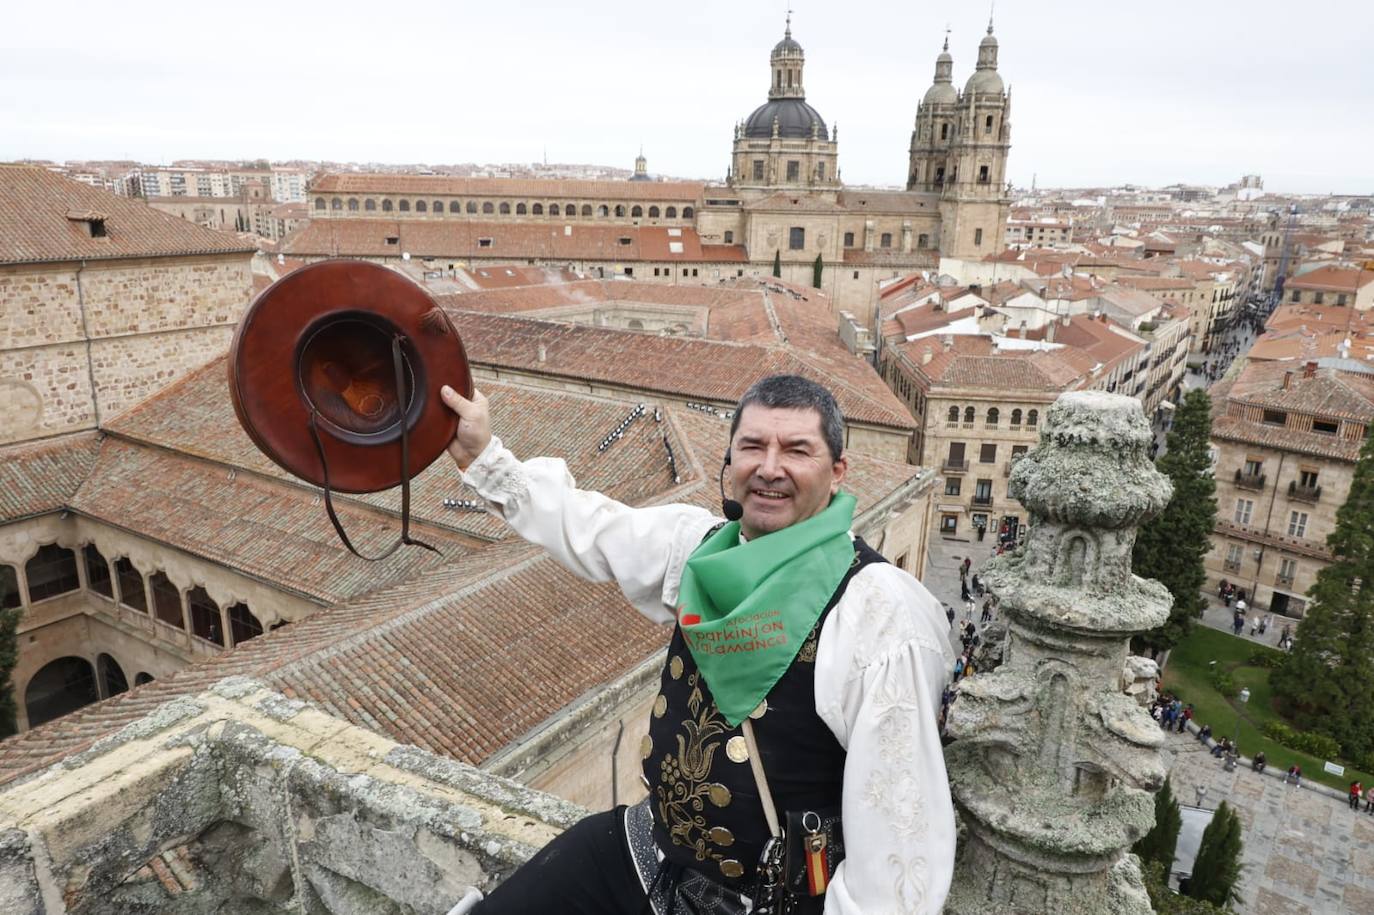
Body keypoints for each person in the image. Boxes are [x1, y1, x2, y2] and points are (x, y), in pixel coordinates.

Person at [441, 375, 956, 914]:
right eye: (752, 447)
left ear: (837, 473)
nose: (769, 467)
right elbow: (593, 529)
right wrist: (485, 457)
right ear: (730, 463)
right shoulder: (702, 552)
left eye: (797, 450)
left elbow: (898, 847)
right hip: (650, 854)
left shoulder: (879, 614)